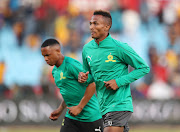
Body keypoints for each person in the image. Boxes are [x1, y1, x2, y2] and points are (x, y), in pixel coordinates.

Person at [78, 10, 150, 132]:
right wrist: (83, 78)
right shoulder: (87, 49)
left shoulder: (119, 47)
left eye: (96, 24)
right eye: (90, 23)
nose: (91, 27)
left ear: (107, 26)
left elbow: (144, 68)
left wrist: (118, 82)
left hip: (119, 103)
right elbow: (89, 77)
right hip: (101, 106)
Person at [41, 39, 103, 132]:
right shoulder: (55, 71)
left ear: (58, 51)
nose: (45, 59)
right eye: (44, 56)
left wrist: (79, 107)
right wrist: (60, 109)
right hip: (72, 117)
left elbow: (92, 84)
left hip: (91, 117)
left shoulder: (71, 65)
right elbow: (69, 93)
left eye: (48, 55)